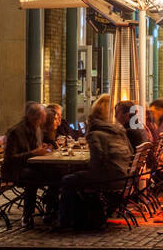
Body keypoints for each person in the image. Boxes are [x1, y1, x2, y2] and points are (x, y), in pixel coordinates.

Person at [57, 94, 132, 229]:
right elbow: (130, 152)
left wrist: (82, 168)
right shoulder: (119, 130)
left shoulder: (95, 133)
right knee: (74, 177)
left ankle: (65, 220)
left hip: (108, 178)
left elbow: (96, 163)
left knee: (67, 180)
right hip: (123, 176)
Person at [2, 101, 54, 227]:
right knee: (33, 177)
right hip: (14, 171)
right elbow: (10, 159)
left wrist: (42, 148)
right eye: (41, 118)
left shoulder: (36, 129)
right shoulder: (16, 132)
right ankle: (27, 214)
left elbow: (33, 148)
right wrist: (33, 153)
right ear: (33, 117)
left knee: (55, 174)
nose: (43, 121)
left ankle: (52, 211)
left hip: (30, 166)